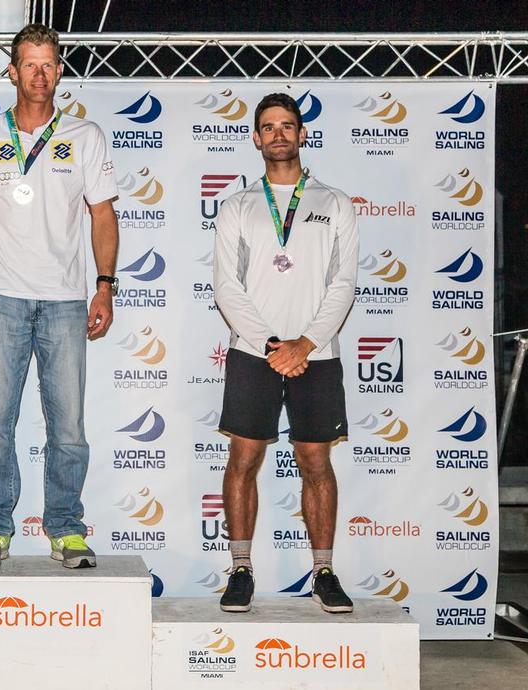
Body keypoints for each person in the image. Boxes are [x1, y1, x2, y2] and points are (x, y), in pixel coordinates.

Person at [0, 23, 119, 569]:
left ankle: (66, 527)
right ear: (12, 71)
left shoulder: (86, 136)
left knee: (67, 426)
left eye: (49, 65)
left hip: (66, 301)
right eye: (29, 64)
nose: (39, 75)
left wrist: (105, 285)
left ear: (59, 70)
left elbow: (102, 214)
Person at [213, 92, 358, 613]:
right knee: (243, 458)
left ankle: (323, 572)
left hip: (316, 354)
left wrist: (304, 343)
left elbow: (344, 284)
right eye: (268, 127)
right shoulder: (237, 205)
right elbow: (226, 287)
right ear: (256, 137)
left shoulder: (334, 201)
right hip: (255, 353)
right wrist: (274, 345)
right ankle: (240, 568)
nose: (278, 134)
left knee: (315, 461)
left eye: (287, 125)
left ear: (302, 134)